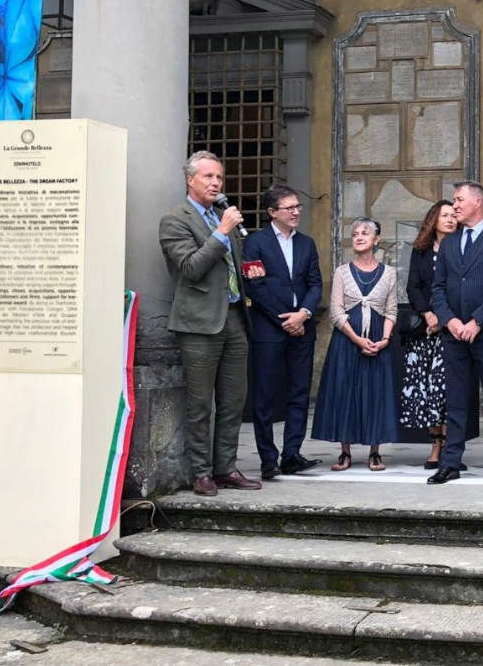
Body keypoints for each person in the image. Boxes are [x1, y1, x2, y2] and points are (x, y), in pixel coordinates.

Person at [158, 150, 262, 496]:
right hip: (199, 323)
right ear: (191, 180)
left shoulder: (222, 216)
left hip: (234, 317)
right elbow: (190, 268)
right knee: (201, 403)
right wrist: (220, 232)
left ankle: (226, 468)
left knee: (234, 400)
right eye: (208, 177)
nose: (216, 183)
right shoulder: (176, 220)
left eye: (219, 177)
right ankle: (201, 472)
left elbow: (231, 267)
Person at [428, 181, 483, 485]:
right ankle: (451, 462)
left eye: (459, 200)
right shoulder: (450, 242)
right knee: (456, 401)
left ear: (478, 202)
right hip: (454, 335)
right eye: (454, 201)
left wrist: (476, 322)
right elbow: (437, 288)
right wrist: (450, 320)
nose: (454, 206)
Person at [242, 185, 322, 480]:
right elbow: (254, 286)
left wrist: (303, 314)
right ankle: (267, 459)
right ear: (272, 212)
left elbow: (315, 283)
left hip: (303, 328)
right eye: (289, 207)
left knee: (299, 393)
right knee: (265, 395)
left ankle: (292, 454)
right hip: (269, 330)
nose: (296, 212)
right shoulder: (256, 242)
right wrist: (284, 319)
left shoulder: (307, 243)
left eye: (298, 206)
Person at [311, 217, 399, 471]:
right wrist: (357, 338)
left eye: (365, 233)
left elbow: (391, 310)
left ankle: (375, 451)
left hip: (378, 342)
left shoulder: (389, 273)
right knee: (344, 392)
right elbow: (336, 312)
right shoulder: (341, 272)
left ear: (376, 240)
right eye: (355, 233)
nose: (359, 237)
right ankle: (345, 452)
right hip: (347, 342)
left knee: (376, 394)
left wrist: (384, 340)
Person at [401, 200, 457, 469]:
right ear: (433, 219)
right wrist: (428, 314)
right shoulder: (421, 250)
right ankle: (435, 445)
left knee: (448, 391)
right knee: (429, 392)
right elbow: (413, 286)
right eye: (444, 215)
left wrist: (444, 318)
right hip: (426, 332)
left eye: (453, 215)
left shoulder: (460, 247)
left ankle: (451, 446)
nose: (449, 219)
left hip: (451, 330)